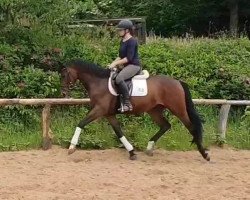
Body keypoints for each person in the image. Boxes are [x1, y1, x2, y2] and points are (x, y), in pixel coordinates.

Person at [109, 19, 141, 112]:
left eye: (120, 30)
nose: (119, 32)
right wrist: (112, 63)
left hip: (134, 65)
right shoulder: (123, 40)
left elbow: (128, 58)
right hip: (126, 65)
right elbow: (120, 56)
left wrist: (115, 63)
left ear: (127, 30)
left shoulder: (132, 41)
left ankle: (127, 104)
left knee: (119, 78)